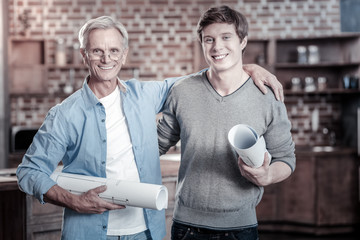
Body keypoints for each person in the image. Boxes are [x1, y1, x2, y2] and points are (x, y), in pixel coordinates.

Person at [16, 16, 283, 240]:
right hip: (89, 231)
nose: (106, 58)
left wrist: (245, 67)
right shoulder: (65, 114)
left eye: (113, 50)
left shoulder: (142, 94)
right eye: (97, 50)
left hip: (145, 231)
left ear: (124, 55)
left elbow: (197, 81)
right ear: (85, 54)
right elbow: (29, 172)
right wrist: (73, 201)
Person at [157, 5, 296, 240]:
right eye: (208, 39)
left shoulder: (267, 96)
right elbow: (154, 145)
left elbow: (286, 158)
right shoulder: (182, 91)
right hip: (187, 226)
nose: (217, 46)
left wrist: (268, 176)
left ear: (243, 41)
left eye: (225, 37)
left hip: (241, 228)